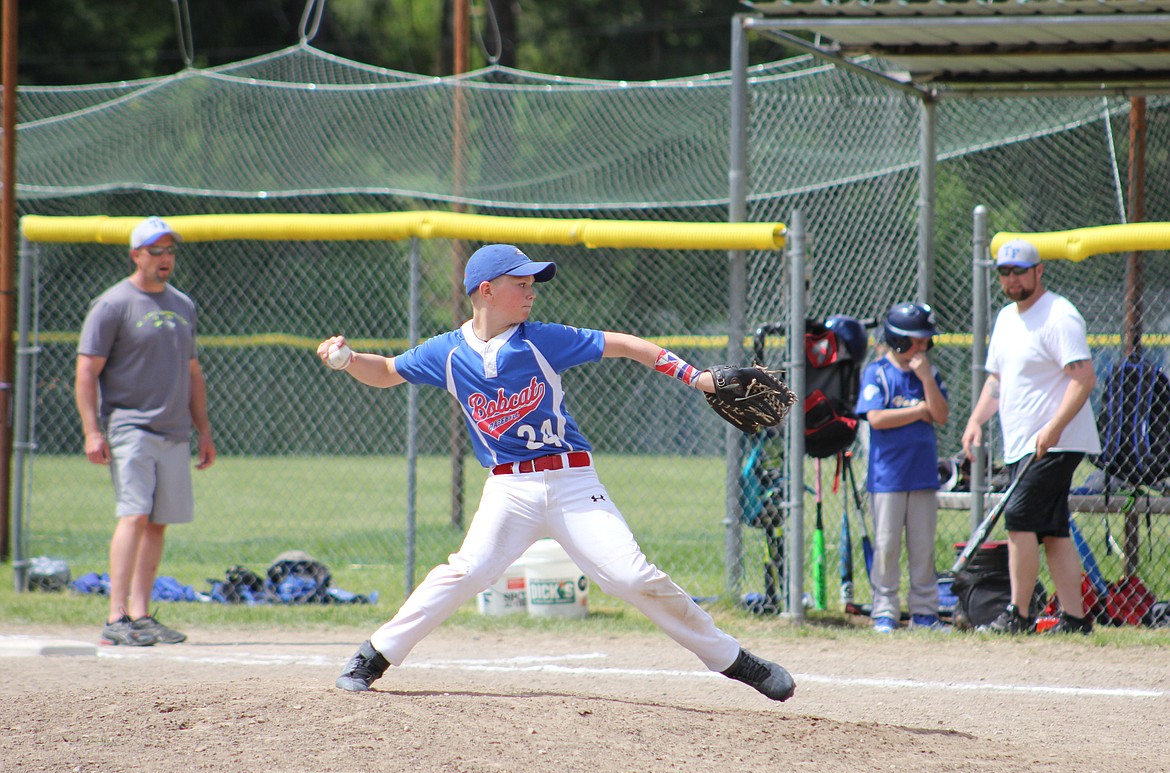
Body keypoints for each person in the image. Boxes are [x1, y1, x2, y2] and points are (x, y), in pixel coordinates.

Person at [318, 243, 795, 701]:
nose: (531, 292)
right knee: (465, 571)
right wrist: (349, 360)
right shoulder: (446, 352)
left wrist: (696, 378)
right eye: (520, 283)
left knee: (631, 578)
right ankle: (373, 656)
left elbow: (626, 344)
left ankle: (737, 661)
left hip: (572, 483)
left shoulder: (542, 339)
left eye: (533, 284)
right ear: (485, 290)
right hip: (509, 488)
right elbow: (385, 370)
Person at [75, 216, 216, 646]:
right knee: (134, 514)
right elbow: (86, 371)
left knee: (158, 522)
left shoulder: (183, 305)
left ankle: (139, 614)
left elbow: (193, 373)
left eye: (170, 250)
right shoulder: (113, 304)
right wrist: (91, 431)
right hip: (130, 426)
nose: (165, 258)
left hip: (174, 430)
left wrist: (204, 432)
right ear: (136, 255)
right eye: (155, 250)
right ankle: (115, 617)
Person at [961, 238, 1100, 635]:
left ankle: (1018, 615)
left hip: (1057, 442)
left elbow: (1083, 377)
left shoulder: (1059, 315)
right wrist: (976, 420)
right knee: (1053, 530)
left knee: (1019, 516)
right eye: (1005, 272)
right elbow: (998, 380)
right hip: (1024, 443)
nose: (1012, 279)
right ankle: (1075, 619)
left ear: (1039, 271)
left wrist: (1053, 428)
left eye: (1020, 271)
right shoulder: (1007, 317)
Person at [855, 303, 950, 633]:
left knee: (923, 547)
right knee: (887, 546)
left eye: (926, 342)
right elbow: (877, 418)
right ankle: (885, 609)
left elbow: (940, 415)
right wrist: (919, 410)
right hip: (887, 478)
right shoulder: (878, 373)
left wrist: (925, 381)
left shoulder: (930, 375)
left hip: (922, 475)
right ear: (897, 340)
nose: (923, 347)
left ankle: (924, 612)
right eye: (916, 341)